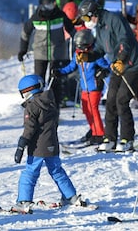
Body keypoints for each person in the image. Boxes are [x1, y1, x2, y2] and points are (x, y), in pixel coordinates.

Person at [77, 0, 138, 152]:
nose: (87, 21)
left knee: (122, 100)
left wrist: (121, 59)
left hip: (132, 64)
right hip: (117, 65)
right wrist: (88, 56)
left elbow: (124, 40)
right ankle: (110, 138)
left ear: (94, 13)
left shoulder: (114, 19)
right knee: (110, 100)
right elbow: (101, 50)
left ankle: (127, 138)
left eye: (87, 17)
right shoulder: (100, 28)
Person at [13, 74, 87, 213]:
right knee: (57, 171)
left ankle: (24, 201)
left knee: (30, 173)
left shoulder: (32, 106)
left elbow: (29, 128)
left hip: (37, 148)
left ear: (26, 91)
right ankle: (71, 197)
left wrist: (21, 144)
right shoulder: (51, 102)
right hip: (52, 144)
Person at [18, 0, 77, 108]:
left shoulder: (59, 15)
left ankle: (54, 106)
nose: (53, 7)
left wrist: (79, 43)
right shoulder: (36, 18)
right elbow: (25, 33)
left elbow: (71, 29)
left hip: (58, 53)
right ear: (44, 6)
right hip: (41, 53)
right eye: (50, 5)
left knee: (55, 80)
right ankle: (37, 106)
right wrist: (23, 50)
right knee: (38, 80)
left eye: (54, 4)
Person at [53, 29, 110, 145]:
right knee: (86, 110)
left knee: (93, 110)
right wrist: (59, 71)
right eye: (78, 47)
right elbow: (71, 67)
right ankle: (93, 130)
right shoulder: (77, 54)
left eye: (83, 47)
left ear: (89, 44)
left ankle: (99, 134)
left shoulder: (95, 54)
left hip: (94, 86)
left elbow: (107, 67)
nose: (81, 50)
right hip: (84, 87)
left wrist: (103, 72)